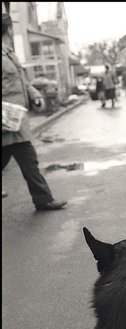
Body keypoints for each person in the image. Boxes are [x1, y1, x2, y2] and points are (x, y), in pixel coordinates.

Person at [2, 14, 67, 211]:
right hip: (5, 121)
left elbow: (21, 81)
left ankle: (43, 199)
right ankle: (43, 199)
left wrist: (35, 94)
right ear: (9, 30)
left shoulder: (9, 54)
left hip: (17, 122)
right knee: (26, 159)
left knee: (29, 161)